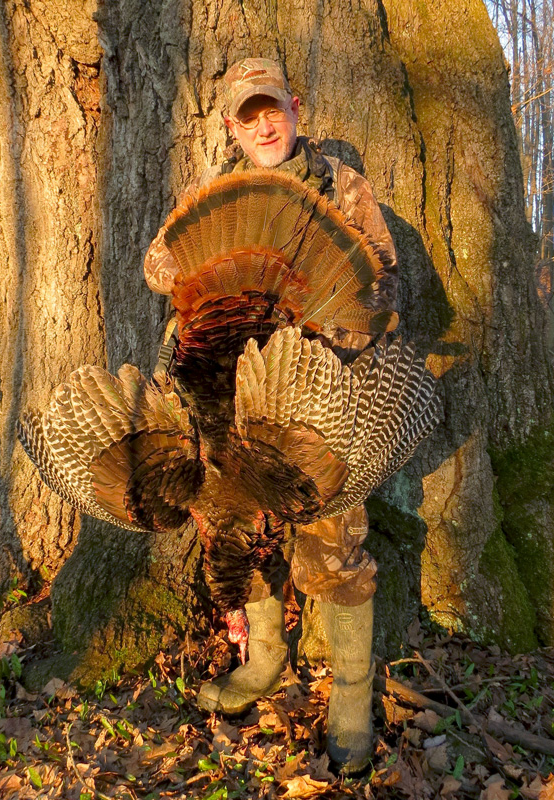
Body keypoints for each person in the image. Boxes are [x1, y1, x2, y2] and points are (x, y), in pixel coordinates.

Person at [143, 58, 398, 774]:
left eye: (273, 108)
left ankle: (351, 704)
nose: (263, 123)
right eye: (247, 113)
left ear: (295, 106)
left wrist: (319, 324)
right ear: (229, 124)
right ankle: (263, 664)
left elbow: (381, 278)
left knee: (332, 543)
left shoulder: (343, 187)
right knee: (239, 532)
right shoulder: (210, 191)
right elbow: (159, 266)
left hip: (313, 394)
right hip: (225, 399)